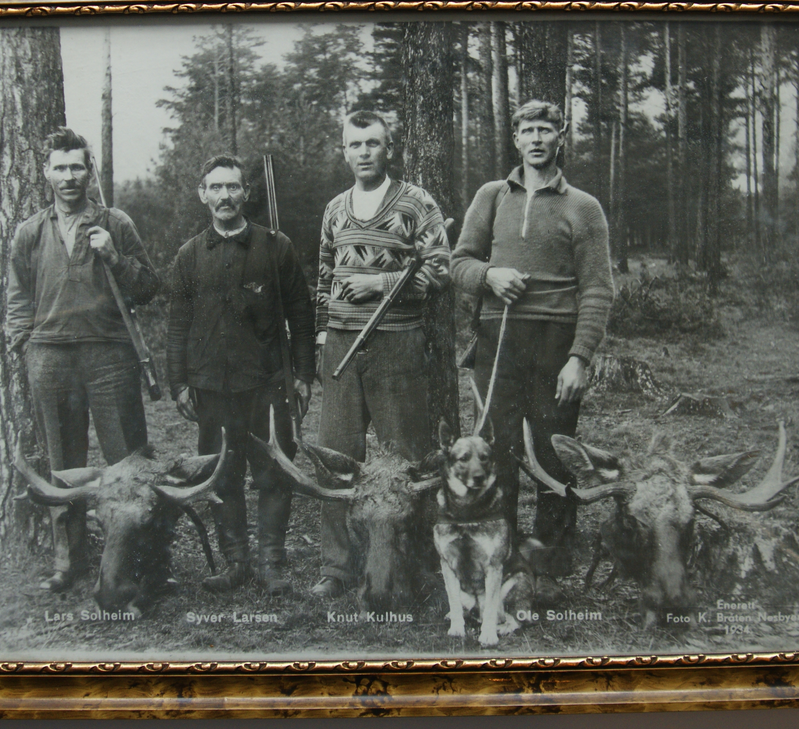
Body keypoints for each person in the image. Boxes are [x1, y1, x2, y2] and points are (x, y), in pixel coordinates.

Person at [450, 100, 614, 602]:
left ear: (560, 137)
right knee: (493, 451)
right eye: (528, 130)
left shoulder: (583, 206)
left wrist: (579, 357)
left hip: (555, 344)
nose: (537, 138)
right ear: (515, 139)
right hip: (498, 342)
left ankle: (549, 566)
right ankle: (494, 554)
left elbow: (598, 290)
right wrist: (489, 276)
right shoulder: (491, 196)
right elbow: (458, 263)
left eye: (546, 129)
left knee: (553, 452)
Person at [6, 127, 161, 593]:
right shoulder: (30, 232)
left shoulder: (116, 223)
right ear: (46, 172)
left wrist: (112, 256)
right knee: (62, 461)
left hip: (111, 356)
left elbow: (147, 287)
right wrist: (22, 342)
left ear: (89, 170)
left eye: (78, 166)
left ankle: (142, 559)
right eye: (60, 167)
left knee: (127, 462)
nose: (69, 176)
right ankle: (67, 562)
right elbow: (18, 295)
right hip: (50, 357)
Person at [310, 110, 451, 598]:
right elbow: (325, 278)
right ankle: (337, 567)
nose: (364, 152)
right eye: (355, 144)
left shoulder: (417, 203)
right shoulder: (334, 209)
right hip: (342, 348)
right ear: (343, 150)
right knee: (334, 457)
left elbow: (439, 271)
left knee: (407, 458)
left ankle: (416, 561)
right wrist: (321, 337)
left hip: (397, 345)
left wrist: (381, 282)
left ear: (388, 148)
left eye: (373, 143)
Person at [165, 155, 315, 596]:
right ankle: (236, 563)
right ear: (203, 195)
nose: (225, 196)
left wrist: (304, 375)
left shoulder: (276, 247)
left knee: (274, 473)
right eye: (216, 188)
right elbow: (177, 325)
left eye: (233, 187)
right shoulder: (189, 255)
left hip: (269, 385)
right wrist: (178, 383)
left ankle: (271, 563)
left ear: (246, 193)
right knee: (222, 476)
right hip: (211, 387)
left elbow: (302, 317)